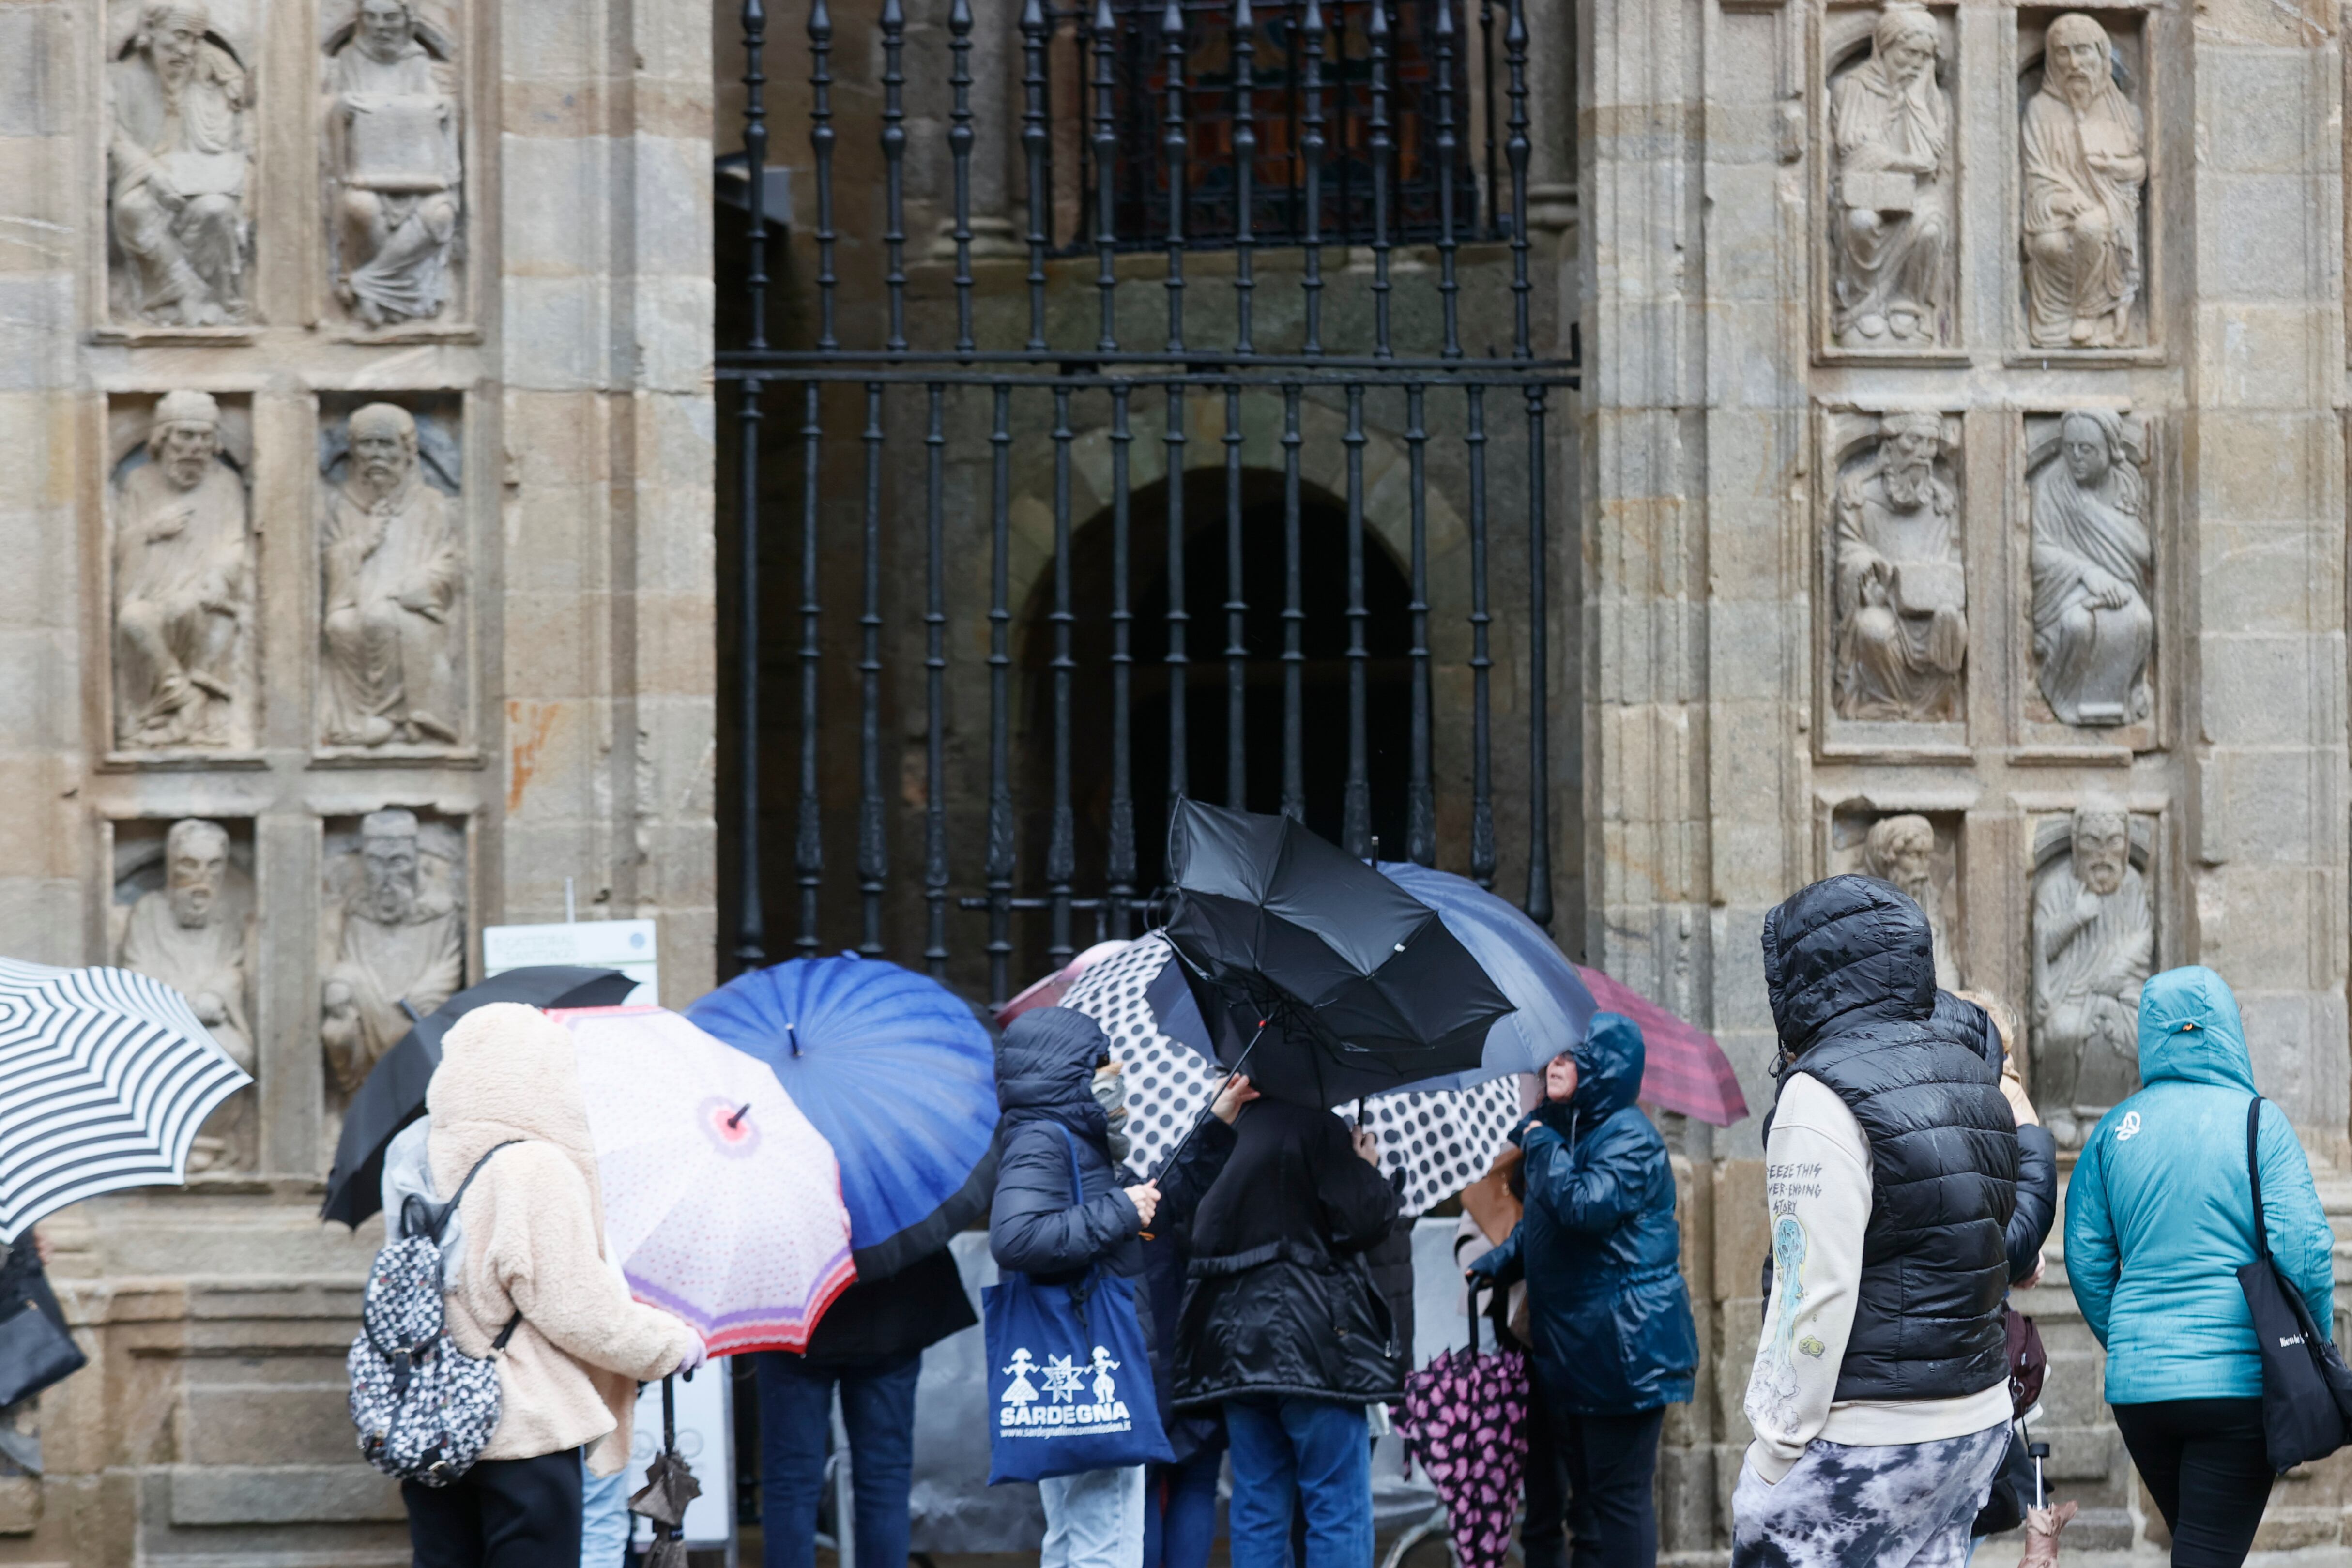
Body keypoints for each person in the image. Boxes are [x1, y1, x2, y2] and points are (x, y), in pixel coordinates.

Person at [1733, 875, 2019, 1568]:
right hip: (1974, 1416)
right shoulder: (1971, 1071)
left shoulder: (1819, 1092)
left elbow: (1814, 1287)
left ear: (1800, 976)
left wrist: (1772, 1449)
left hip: (1868, 1431)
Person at [405, 1003, 704, 1568]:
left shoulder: (419, 1155)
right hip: (521, 1429)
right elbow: (578, 1309)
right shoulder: (533, 1167)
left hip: (432, 1426)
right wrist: (672, 1344)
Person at [2065, 966, 2334, 1568]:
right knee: (2207, 1554)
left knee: (2199, 1544)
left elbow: (2085, 1258)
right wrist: (2313, 1343)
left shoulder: (2112, 1130)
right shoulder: (2258, 1121)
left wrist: (2131, 1335)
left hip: (2139, 1389)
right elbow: (2305, 1250)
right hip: (2235, 1385)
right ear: (2229, 1029)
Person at [991, 1007, 1247, 1568]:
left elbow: (1151, 1216)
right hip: (1087, 1365)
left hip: (1081, 1369)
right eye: (1102, 1062)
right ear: (1070, 1072)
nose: (1117, 1075)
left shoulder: (1074, 1143)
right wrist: (1117, 1208)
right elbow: (1014, 1237)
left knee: (1076, 1541)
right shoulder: (1046, 1139)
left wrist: (1217, 1121)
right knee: (1104, 1547)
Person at [1465, 1014, 1698, 1568]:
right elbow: (1543, 1221)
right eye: (1553, 1054)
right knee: (1589, 1503)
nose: (1554, 1063)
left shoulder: (1628, 1135)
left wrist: (1541, 1140)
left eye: (1571, 1055)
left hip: (1624, 1350)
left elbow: (1583, 1205)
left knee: (1617, 1503)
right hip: (1580, 1349)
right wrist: (1498, 1260)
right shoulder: (1576, 1128)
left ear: (1604, 1066)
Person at [1174, 1096, 1404, 1568]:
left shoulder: (1217, 1131)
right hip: (1316, 1345)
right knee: (1336, 1503)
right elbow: (1364, 1220)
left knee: (1257, 1502)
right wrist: (1366, 1166)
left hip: (1236, 1348)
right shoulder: (1319, 1127)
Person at [754, 1243, 977, 1568]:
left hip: (794, 1305)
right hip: (890, 1305)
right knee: (885, 1478)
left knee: (791, 1481)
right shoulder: (901, 1192)